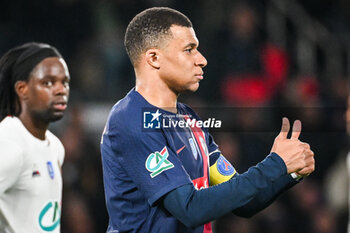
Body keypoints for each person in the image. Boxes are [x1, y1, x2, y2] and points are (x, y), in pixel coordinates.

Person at [100, 7, 315, 233]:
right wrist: (275, 165)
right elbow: (189, 208)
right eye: (189, 50)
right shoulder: (131, 120)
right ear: (154, 58)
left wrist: (289, 171)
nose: (202, 60)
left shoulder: (189, 119)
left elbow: (244, 202)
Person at [0, 42, 70, 233]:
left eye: (64, 82)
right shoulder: (8, 143)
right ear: (22, 89)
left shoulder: (55, 146)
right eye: (48, 82)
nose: (61, 90)